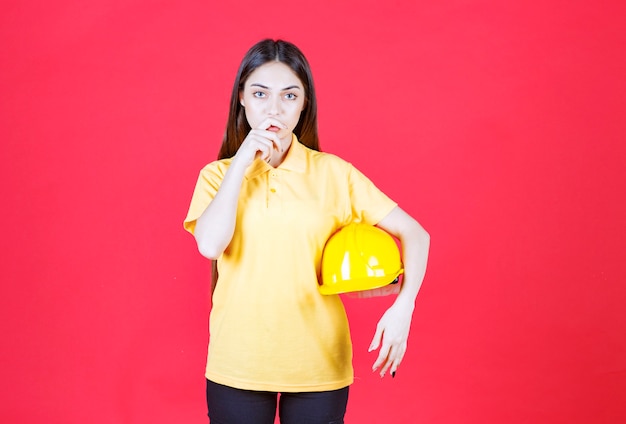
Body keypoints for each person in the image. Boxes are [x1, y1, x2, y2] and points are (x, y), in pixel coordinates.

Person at [183, 39, 430, 424]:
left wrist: (404, 306)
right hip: (238, 360)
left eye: (289, 95)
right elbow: (211, 245)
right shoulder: (217, 176)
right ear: (242, 99)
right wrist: (242, 163)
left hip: (318, 362)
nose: (274, 109)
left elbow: (416, 234)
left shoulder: (334, 173)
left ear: (304, 104)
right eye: (260, 93)